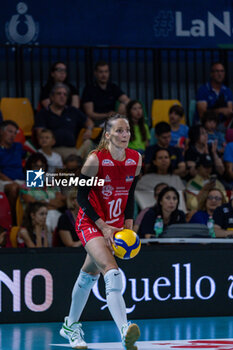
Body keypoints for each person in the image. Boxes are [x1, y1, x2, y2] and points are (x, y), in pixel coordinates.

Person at [60, 114, 142, 349]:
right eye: (118, 131)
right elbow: (81, 196)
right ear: (107, 135)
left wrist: (129, 222)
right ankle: (125, 329)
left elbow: (129, 193)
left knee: (88, 275)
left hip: (115, 225)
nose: (124, 134)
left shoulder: (136, 159)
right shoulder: (96, 159)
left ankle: (70, 326)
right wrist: (103, 226)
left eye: (127, 130)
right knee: (112, 272)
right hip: (91, 223)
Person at [35, 83, 94, 160]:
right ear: (52, 97)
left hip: (71, 150)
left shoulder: (73, 111)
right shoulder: (43, 113)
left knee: (89, 143)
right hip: (52, 150)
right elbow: (40, 134)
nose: (62, 96)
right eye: (59, 94)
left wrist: (89, 130)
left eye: (65, 94)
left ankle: (77, 164)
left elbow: (89, 122)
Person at [135, 148, 187, 213]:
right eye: (160, 158)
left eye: (166, 157)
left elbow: (182, 202)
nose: (164, 160)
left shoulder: (176, 178)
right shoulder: (145, 179)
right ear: (154, 161)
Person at [82, 61, 130, 127]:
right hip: (96, 123)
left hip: (112, 121)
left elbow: (127, 100)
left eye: (106, 72)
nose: (104, 75)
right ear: (95, 73)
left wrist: (122, 106)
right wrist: (107, 115)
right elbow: (90, 113)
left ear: (109, 73)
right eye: (101, 72)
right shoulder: (89, 89)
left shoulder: (113, 87)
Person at [0, 120, 25, 223]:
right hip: (3, 181)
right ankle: (13, 222)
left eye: (15, 133)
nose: (13, 135)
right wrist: (11, 181)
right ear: (1, 132)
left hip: (20, 180)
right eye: (10, 131)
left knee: (39, 187)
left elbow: (34, 160)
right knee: (14, 188)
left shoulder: (18, 146)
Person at [196, 62, 233, 127]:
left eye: (222, 71)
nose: (220, 74)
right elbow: (202, 114)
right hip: (205, 125)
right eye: (217, 71)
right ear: (211, 74)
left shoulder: (227, 91)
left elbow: (230, 111)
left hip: (222, 125)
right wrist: (220, 110)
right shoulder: (203, 90)